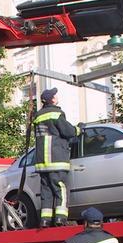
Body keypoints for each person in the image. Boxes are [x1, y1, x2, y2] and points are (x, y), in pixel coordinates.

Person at [33, 87, 80, 228]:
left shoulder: (38, 116)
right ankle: (60, 218)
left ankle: (45, 220)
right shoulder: (56, 113)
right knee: (61, 189)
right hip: (57, 159)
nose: (57, 97)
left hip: (42, 162)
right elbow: (68, 131)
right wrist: (79, 129)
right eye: (55, 95)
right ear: (52, 99)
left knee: (46, 191)